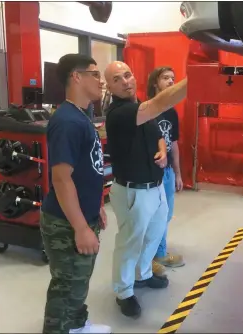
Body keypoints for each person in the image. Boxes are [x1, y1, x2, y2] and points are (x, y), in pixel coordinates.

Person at [104, 61, 187, 318]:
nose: (125, 81)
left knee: (154, 234)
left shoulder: (138, 107)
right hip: (133, 192)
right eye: (117, 79)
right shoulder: (119, 113)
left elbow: (159, 134)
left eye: (127, 75)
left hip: (156, 187)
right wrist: (195, 79)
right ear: (110, 87)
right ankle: (124, 291)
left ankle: (143, 274)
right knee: (130, 242)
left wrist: (162, 151)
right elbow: (158, 105)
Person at [40, 54, 111, 334]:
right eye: (95, 74)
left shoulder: (81, 116)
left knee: (78, 281)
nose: (101, 80)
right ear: (76, 77)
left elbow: (86, 169)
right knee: (66, 284)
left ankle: (77, 326)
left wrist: (97, 206)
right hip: (66, 223)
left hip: (84, 214)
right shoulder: (67, 121)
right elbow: (61, 178)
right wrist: (81, 228)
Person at [146, 67, 185, 276]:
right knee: (152, 215)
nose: (171, 81)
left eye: (173, 78)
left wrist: (177, 173)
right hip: (150, 173)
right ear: (155, 83)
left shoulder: (171, 111)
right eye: (165, 78)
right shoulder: (145, 110)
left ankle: (159, 252)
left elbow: (174, 144)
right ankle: (150, 256)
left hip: (167, 171)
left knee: (166, 214)